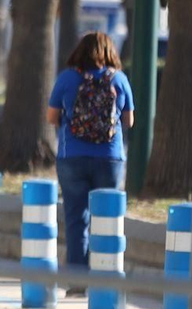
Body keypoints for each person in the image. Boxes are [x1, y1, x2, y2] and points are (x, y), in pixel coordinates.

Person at [48, 31, 135, 295]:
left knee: (77, 219)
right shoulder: (119, 79)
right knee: (106, 219)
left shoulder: (67, 78)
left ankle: (77, 281)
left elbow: (52, 117)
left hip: (71, 157)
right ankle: (104, 278)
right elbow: (128, 121)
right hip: (109, 158)